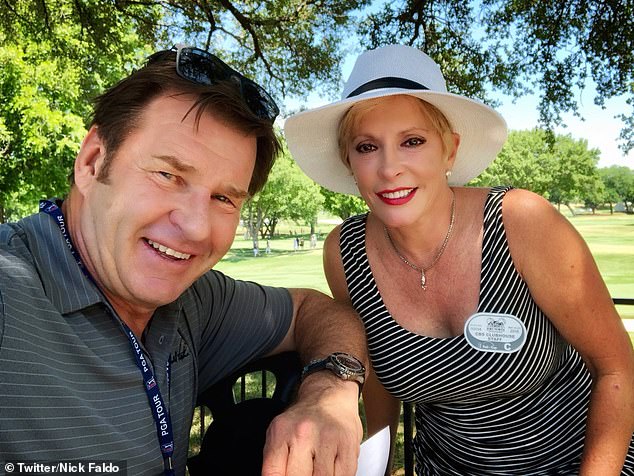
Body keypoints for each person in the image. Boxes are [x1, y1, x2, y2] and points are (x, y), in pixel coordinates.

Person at [0, 45, 369, 476]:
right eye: (168, 175)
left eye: (224, 198)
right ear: (92, 162)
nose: (196, 227)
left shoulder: (196, 301)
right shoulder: (13, 291)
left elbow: (315, 310)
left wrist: (330, 391)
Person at [284, 44, 634, 475]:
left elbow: (616, 367)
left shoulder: (519, 222)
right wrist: (374, 466)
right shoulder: (345, 252)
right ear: (349, 162)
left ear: (449, 150)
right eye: (367, 146)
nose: (389, 167)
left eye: (412, 141)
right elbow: (379, 383)